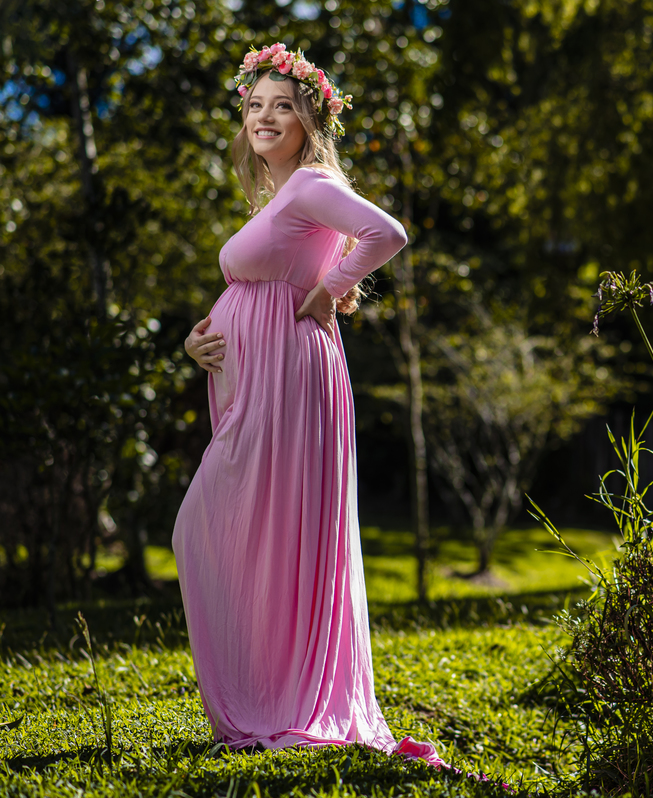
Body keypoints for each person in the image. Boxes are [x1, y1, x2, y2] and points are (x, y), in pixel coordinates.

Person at [173, 43, 443, 767]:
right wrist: (200, 340)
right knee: (255, 531)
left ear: (309, 120)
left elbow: (388, 233)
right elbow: (254, 285)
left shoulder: (311, 185)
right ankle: (269, 692)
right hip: (263, 378)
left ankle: (281, 700)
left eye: (282, 106)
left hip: (290, 378)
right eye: (255, 105)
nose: (264, 117)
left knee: (214, 525)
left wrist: (330, 290)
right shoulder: (281, 196)